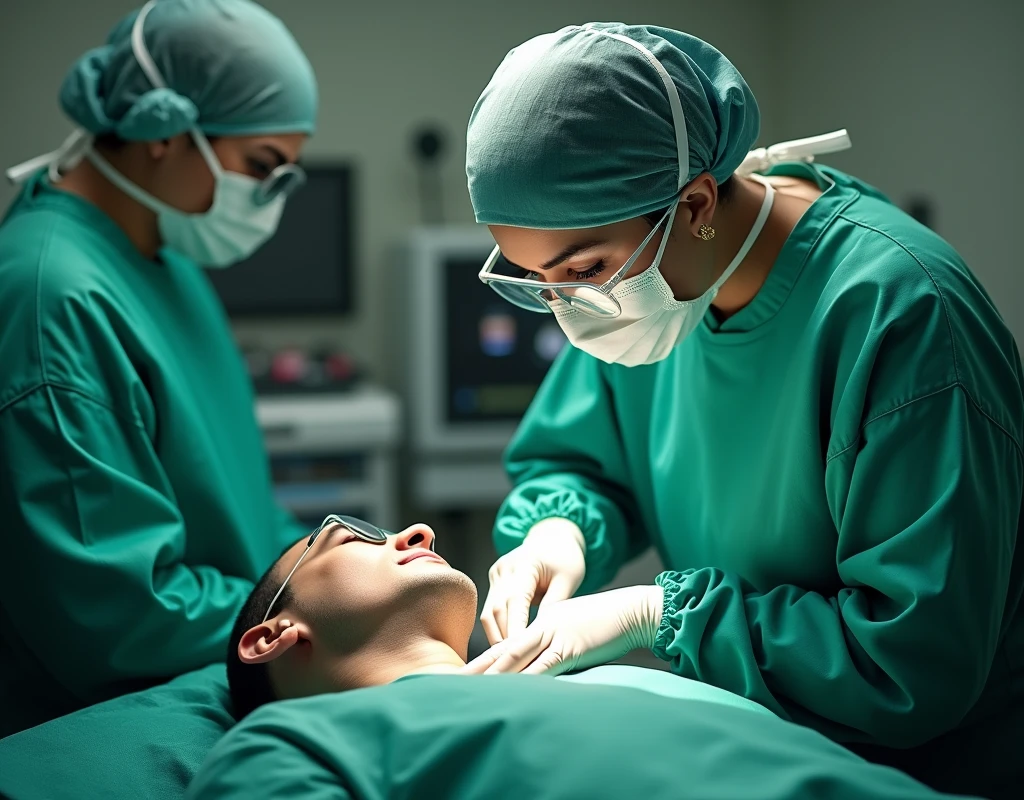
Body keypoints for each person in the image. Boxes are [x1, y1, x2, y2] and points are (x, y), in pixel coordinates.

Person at [463, 22, 1024, 800]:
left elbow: (913, 664)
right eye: (535, 280)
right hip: (761, 748)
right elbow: (575, 459)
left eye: (581, 270)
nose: (567, 309)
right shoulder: (648, 303)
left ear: (694, 202)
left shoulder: (900, 314)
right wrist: (559, 530)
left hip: (922, 772)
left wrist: (660, 614)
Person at [0, 0, 318, 737]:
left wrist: (322, 567)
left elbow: (237, 507)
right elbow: (119, 611)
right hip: (109, 726)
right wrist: (314, 618)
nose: (270, 199)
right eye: (262, 167)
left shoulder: (164, 263)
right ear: (164, 131)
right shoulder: (49, 297)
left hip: (219, 678)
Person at [189, 514, 966, 799]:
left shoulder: (619, 677)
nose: (415, 533)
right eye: (345, 538)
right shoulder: (295, 747)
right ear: (272, 636)